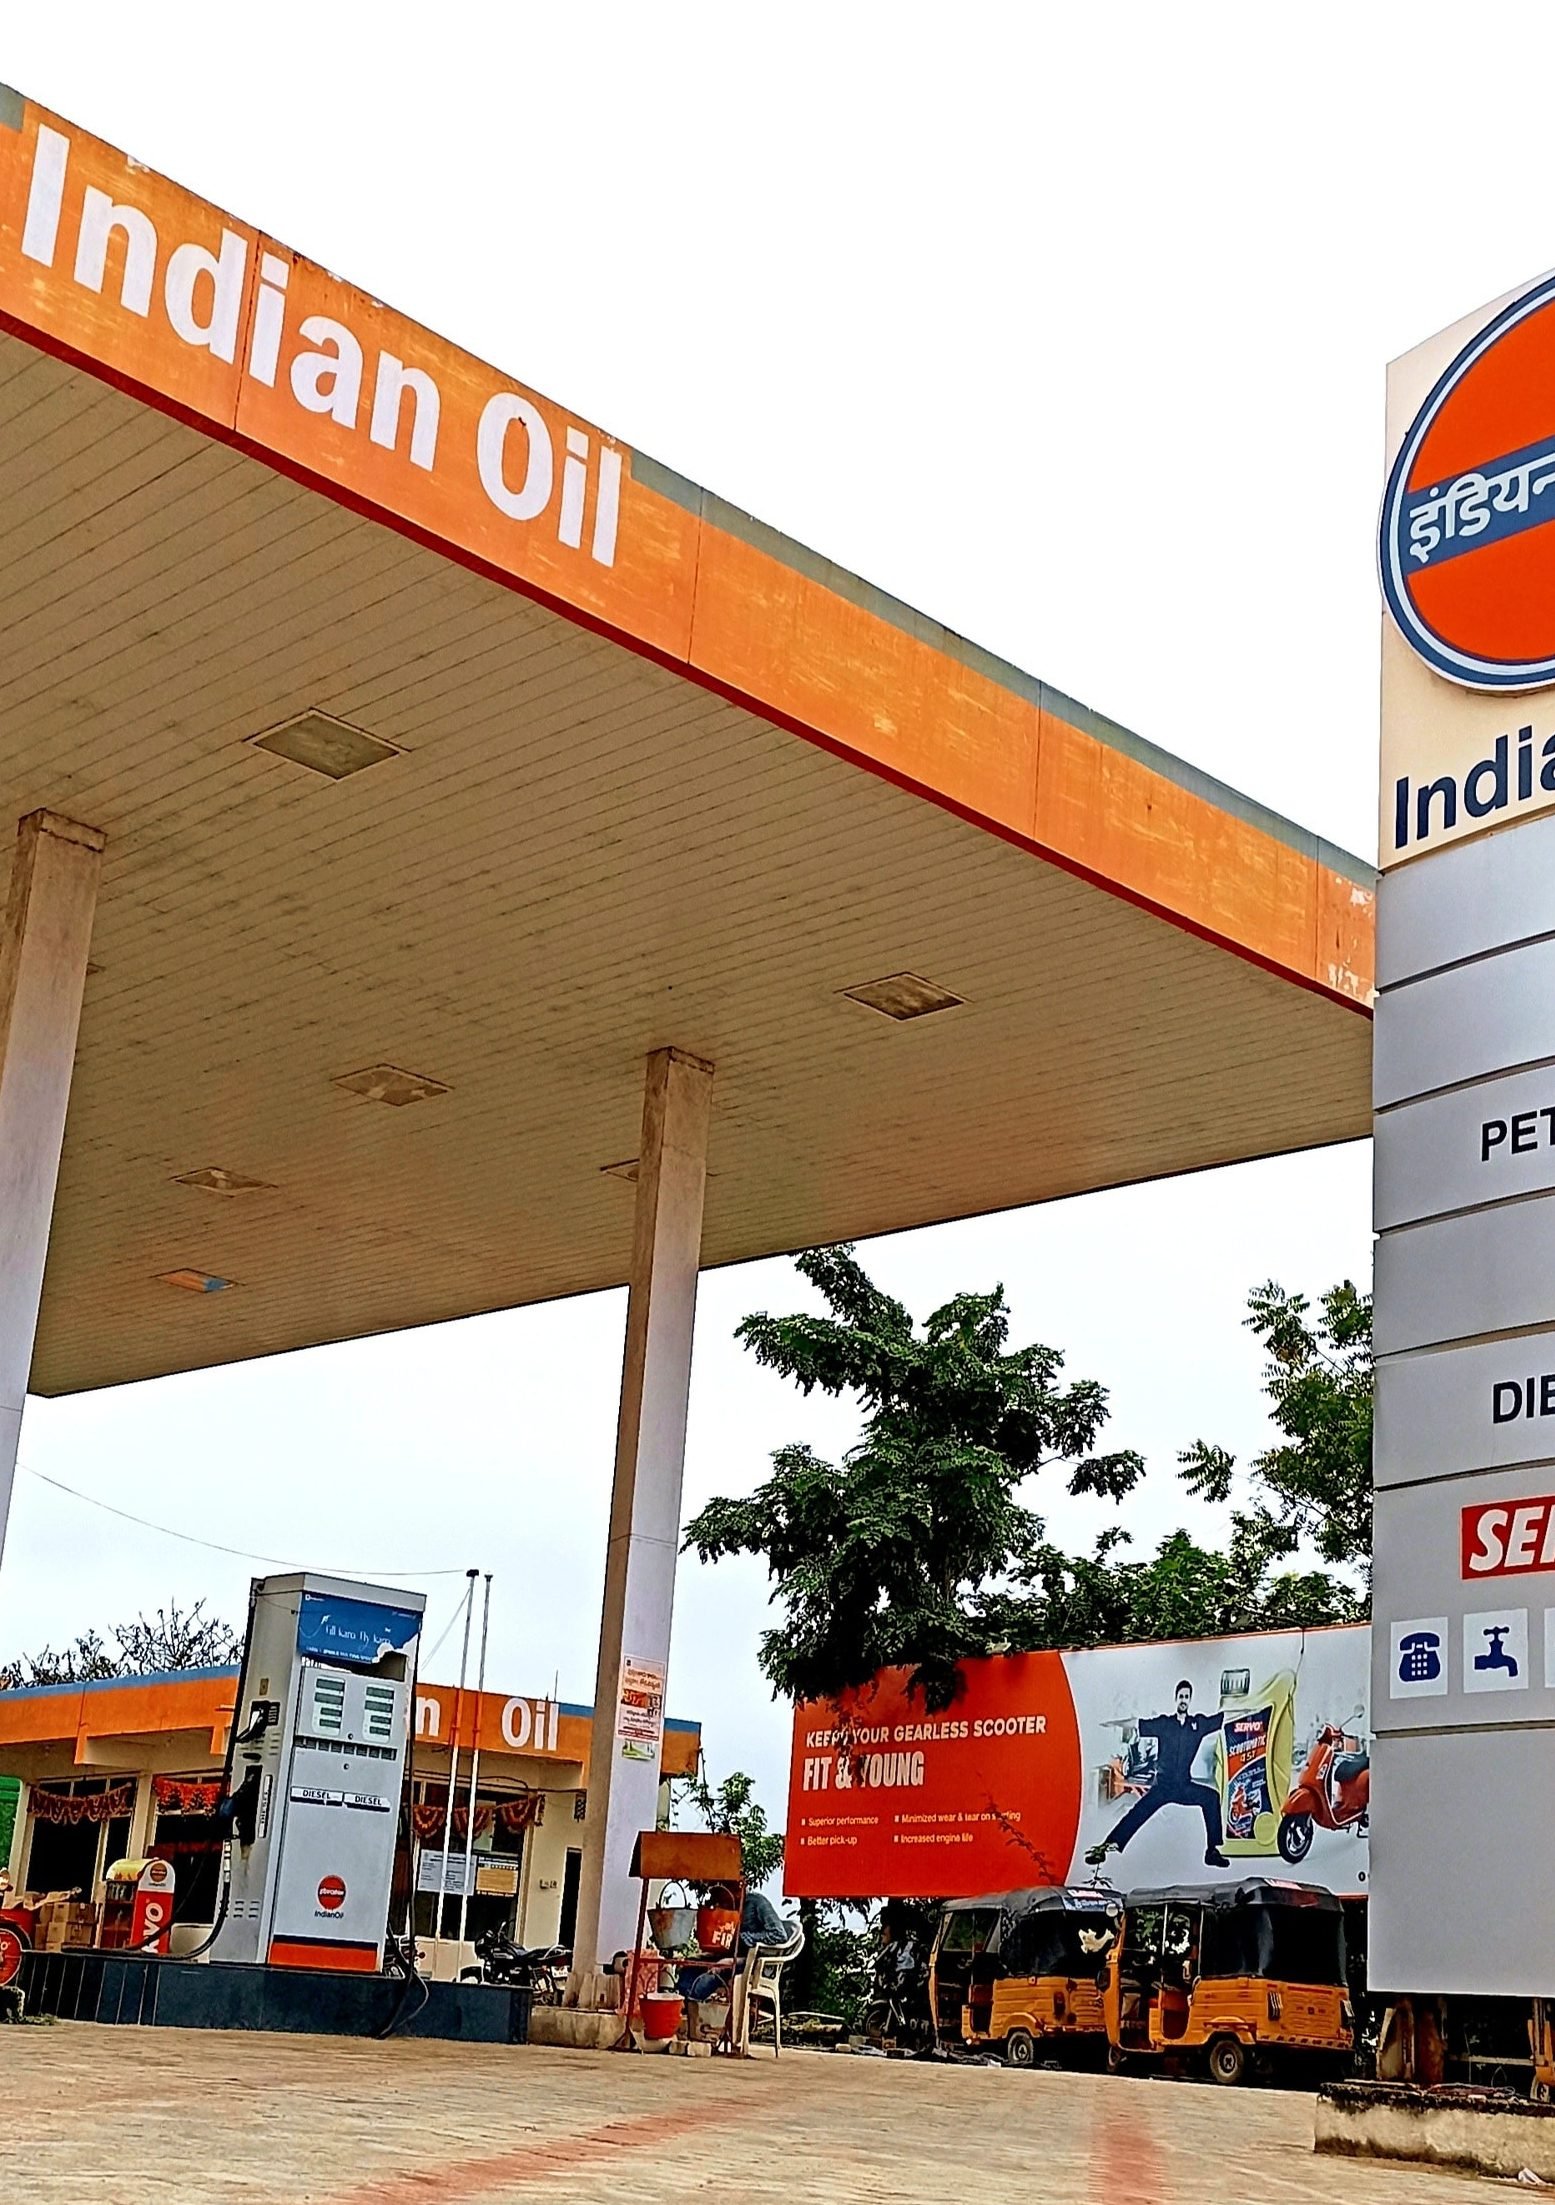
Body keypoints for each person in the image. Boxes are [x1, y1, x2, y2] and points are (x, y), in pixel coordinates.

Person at [1085, 1678, 1230, 1869]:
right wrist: (1112, 1723)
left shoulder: (1197, 1724)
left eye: (1186, 1697)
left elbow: (1224, 1717)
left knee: (1211, 1798)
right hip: (1163, 1786)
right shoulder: (1165, 1724)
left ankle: (1212, 1852)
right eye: (1181, 1696)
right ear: (1176, 1699)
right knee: (1138, 1812)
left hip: (1184, 1786)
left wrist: (1256, 1708)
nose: (1183, 1700)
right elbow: (1135, 1723)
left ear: (1190, 1700)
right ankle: (1105, 1848)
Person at [684, 1886, 790, 2004]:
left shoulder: (757, 1902)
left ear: (738, 1890)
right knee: (691, 1964)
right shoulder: (727, 1908)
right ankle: (681, 2002)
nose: (722, 1903)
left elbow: (779, 1935)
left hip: (753, 1959)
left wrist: (744, 1937)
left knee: (716, 1971)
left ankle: (693, 2003)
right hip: (729, 1954)